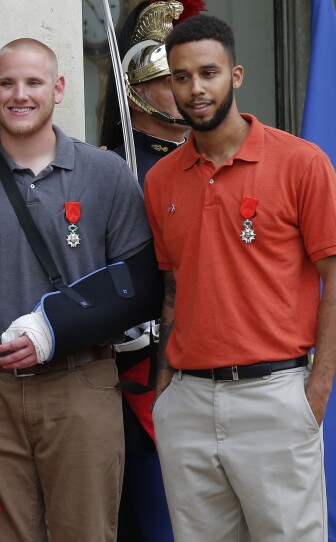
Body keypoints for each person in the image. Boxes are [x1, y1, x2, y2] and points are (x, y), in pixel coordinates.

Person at [0, 38, 155, 541]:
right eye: (7, 83)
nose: (20, 94)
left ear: (59, 88)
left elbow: (139, 289)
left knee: (86, 532)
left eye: (33, 82)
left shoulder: (107, 175)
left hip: (82, 383)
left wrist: (59, 328)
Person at [145, 14, 336, 541]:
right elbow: (173, 288)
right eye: (181, 77)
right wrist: (164, 394)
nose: (195, 88)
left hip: (275, 396)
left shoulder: (302, 163)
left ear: (236, 75)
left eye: (208, 72)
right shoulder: (160, 180)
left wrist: (314, 393)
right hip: (187, 401)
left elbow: (334, 279)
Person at [98, 2, 198, 541]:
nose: (185, 90)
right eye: (170, 78)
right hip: (133, 372)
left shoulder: (207, 164)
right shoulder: (107, 166)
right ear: (136, 86)